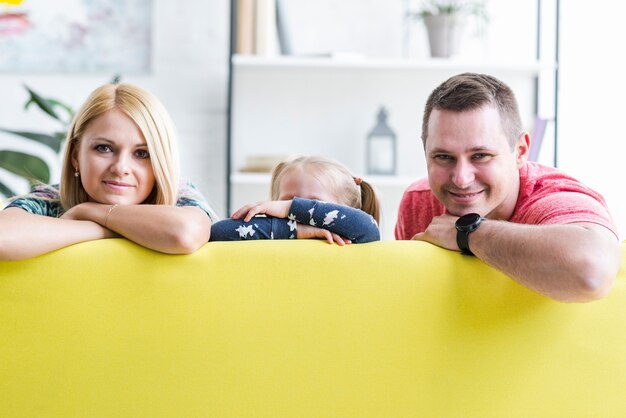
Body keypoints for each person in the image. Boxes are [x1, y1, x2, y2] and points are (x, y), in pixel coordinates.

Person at [395, 72, 620, 302]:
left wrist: (465, 233)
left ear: (520, 151)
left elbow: (591, 272)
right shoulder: (418, 201)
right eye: (443, 156)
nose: (461, 179)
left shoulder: (551, 198)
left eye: (481, 155)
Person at [0, 83, 215, 260]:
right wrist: (103, 228)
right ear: (76, 155)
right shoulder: (49, 200)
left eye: (142, 154)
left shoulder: (180, 196)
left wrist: (88, 211)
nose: (121, 168)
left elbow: (185, 234)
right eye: (104, 148)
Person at [211, 156, 380, 244]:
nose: (296, 214)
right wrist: (295, 230)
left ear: (348, 208)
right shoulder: (274, 232)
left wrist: (288, 208)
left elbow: (369, 227)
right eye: (285, 201)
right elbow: (218, 232)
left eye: (314, 203)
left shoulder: (353, 236)